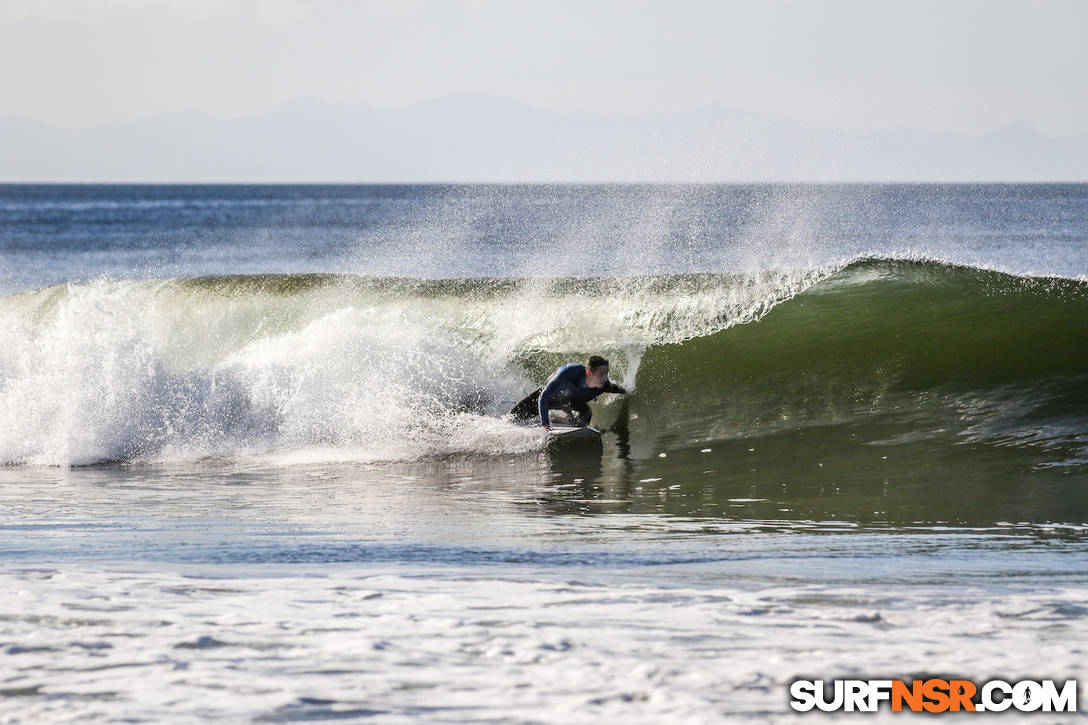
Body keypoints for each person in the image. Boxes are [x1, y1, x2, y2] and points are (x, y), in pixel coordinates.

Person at [509, 355, 627, 429]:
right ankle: (547, 418)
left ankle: (562, 420)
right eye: (601, 374)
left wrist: (627, 391)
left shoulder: (604, 385)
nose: (605, 378)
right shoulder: (568, 374)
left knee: (586, 414)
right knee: (514, 417)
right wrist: (545, 424)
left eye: (606, 374)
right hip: (551, 398)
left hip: (572, 401)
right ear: (589, 373)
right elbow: (543, 397)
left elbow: (618, 389)